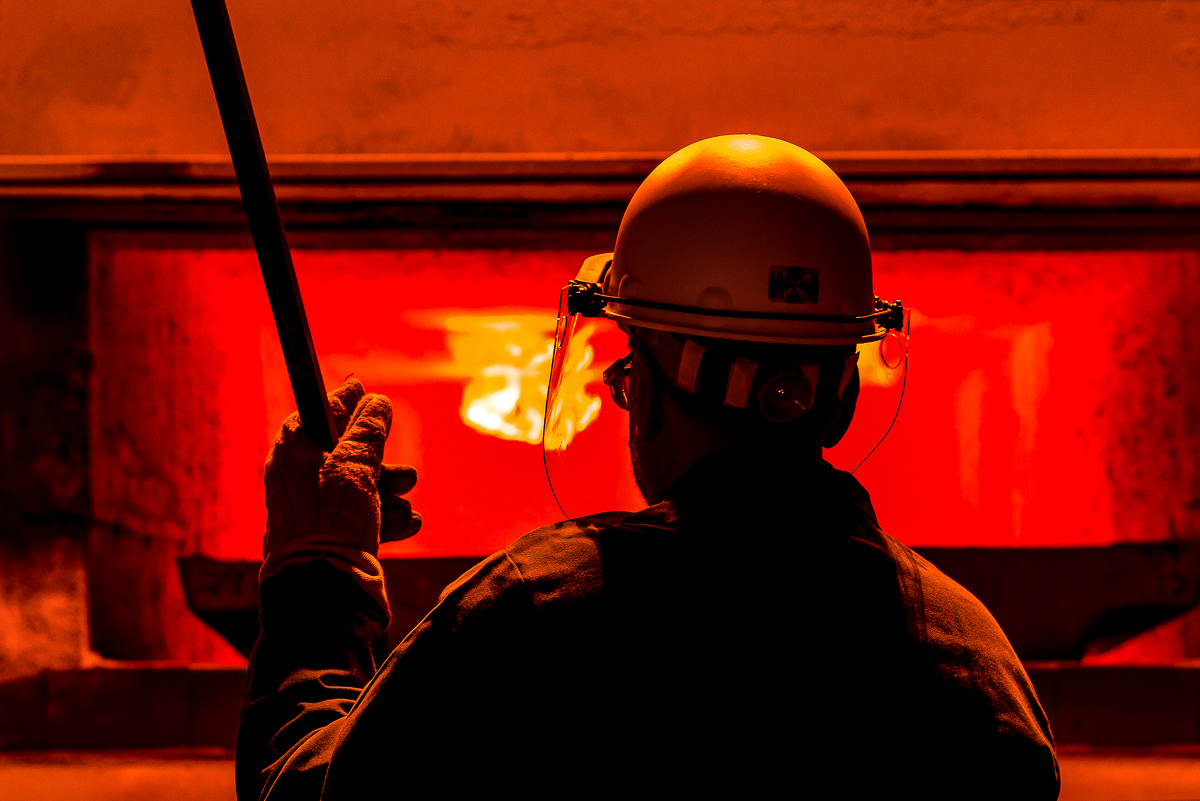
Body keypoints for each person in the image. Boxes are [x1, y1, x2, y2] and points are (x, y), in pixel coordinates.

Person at [236, 136, 1060, 799]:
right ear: (842, 397)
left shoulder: (534, 617)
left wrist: (321, 572)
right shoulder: (974, 664)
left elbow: (300, 796)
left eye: (629, 373)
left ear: (654, 398)